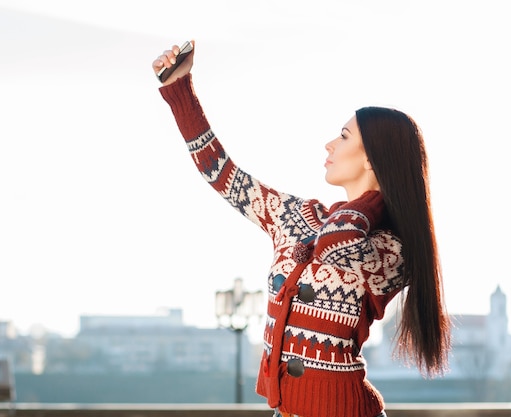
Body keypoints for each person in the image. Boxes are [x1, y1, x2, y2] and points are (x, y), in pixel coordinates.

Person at [152, 40, 451, 417]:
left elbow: (336, 243)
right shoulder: (297, 217)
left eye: (343, 137)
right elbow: (222, 173)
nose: (329, 143)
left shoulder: (392, 250)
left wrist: (372, 201)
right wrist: (179, 86)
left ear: (373, 160)